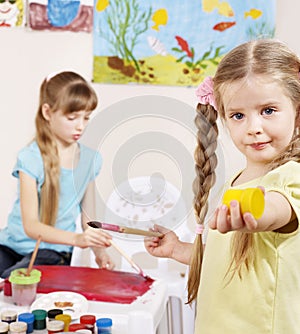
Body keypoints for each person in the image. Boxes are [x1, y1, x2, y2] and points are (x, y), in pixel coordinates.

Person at [145, 39, 300, 333]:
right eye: (238, 115)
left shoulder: (292, 176)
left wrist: (257, 214)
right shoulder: (233, 182)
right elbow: (226, 260)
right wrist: (179, 249)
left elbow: (275, 208)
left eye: (268, 110)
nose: (253, 127)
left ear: (297, 112)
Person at [0, 71, 115, 278]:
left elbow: (89, 221)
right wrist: (77, 239)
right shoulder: (30, 159)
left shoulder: (90, 160)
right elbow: (31, 226)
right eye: (72, 118)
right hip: (10, 245)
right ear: (47, 112)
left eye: (86, 117)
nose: (81, 126)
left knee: (13, 283)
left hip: (54, 251)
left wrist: (99, 251)